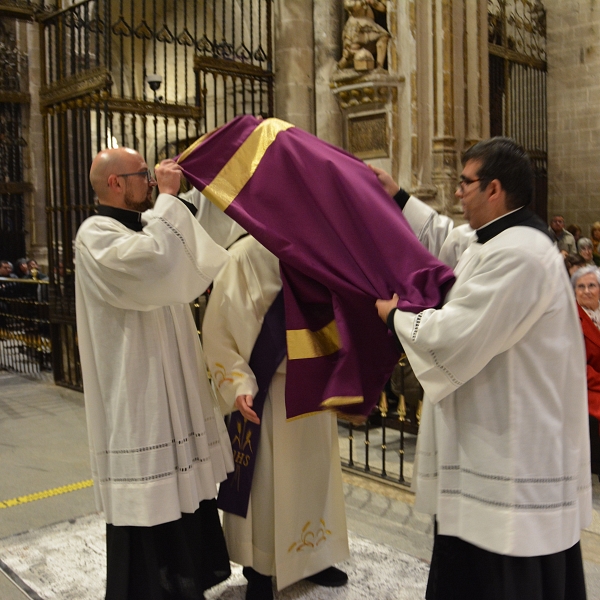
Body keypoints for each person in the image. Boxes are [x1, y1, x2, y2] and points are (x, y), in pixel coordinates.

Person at [372, 137, 592, 600]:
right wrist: (397, 196)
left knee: (502, 570)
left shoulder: (521, 254)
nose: (457, 193)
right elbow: (448, 242)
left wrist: (394, 317)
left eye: (464, 183)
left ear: (494, 189)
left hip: (510, 450)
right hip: (493, 440)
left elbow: (457, 331)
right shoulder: (502, 239)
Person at [75, 147, 234, 600]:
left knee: (183, 491)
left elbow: (193, 251)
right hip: (136, 386)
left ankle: (189, 579)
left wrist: (205, 189)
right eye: (141, 174)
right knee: (150, 495)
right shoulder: (95, 235)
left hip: (172, 382)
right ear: (114, 183)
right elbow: (155, 262)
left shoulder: (150, 225)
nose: (149, 179)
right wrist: (167, 196)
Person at [202, 234, 349, 600]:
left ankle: (315, 556)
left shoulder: (320, 247)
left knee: (314, 477)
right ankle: (258, 569)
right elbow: (217, 330)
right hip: (268, 392)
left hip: (313, 388)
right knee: (266, 486)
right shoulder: (244, 256)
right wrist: (238, 383)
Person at [572, 265, 600, 477]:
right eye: (581, 287)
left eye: (592, 285)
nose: (587, 291)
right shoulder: (570, 317)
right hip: (586, 384)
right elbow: (574, 363)